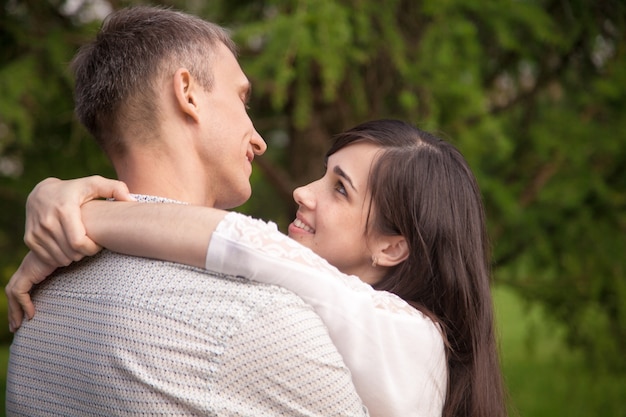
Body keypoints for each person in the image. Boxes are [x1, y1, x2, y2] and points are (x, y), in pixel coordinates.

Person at [4, 6, 368, 417]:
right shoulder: (253, 313)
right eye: (242, 99)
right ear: (188, 93)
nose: (259, 140)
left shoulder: (41, 297)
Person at [7, 120, 508, 417]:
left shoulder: (405, 335)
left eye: (339, 188)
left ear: (393, 248)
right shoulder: (353, 316)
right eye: (323, 172)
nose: (302, 192)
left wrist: (77, 215)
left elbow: (243, 245)